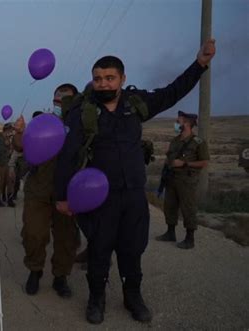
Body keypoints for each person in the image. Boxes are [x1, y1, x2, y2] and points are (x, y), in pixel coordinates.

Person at [54, 40, 216, 324]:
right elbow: (67, 155)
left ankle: (133, 297)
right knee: (100, 250)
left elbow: (172, 93)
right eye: (97, 79)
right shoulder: (84, 112)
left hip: (133, 197)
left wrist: (200, 64)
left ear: (122, 79)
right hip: (99, 198)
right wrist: (62, 196)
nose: (103, 84)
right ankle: (96, 299)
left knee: (132, 250)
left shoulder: (136, 103)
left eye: (109, 78)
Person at [19, 84, 80, 298]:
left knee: (66, 239)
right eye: (56, 101)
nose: (58, 105)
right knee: (33, 233)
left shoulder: (79, 126)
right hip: (38, 189)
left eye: (64, 101)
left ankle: (60, 277)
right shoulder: (41, 122)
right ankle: (35, 270)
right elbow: (22, 147)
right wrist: (19, 132)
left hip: (66, 191)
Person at [156, 111, 209, 249]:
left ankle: (189, 239)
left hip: (187, 180)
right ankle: (170, 233)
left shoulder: (198, 142)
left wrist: (185, 164)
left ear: (186, 123)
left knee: (188, 208)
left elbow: (204, 162)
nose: (176, 124)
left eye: (178, 121)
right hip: (172, 178)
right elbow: (169, 158)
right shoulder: (175, 141)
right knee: (170, 206)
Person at [0, 123, 15, 207]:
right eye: (11, 131)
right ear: (7, 130)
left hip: (8, 163)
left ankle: (9, 198)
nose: (12, 133)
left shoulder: (10, 138)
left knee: (10, 181)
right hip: (0, 163)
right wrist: (7, 147)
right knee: (0, 183)